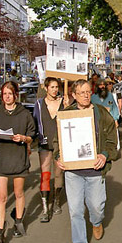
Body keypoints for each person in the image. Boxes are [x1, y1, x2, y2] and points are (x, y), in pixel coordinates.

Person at [55, 79, 118, 243]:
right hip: (73, 172)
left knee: (96, 206)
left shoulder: (100, 113)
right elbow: (56, 141)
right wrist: (58, 156)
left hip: (94, 170)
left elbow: (112, 140)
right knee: (75, 210)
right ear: (73, 95)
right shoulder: (65, 115)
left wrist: (104, 154)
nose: (86, 95)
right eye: (81, 92)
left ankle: (97, 222)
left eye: (88, 92)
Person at [0, 81, 36, 243]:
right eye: (4, 94)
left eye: (10, 94)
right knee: (1, 197)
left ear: (16, 94)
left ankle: (18, 221)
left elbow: (32, 135)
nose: (7, 97)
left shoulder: (24, 114)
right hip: (1, 159)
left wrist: (23, 138)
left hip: (18, 158)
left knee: (18, 193)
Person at [33, 77, 69, 222]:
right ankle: (45, 208)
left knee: (59, 173)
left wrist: (67, 107)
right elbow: (34, 122)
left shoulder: (63, 102)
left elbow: (69, 119)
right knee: (45, 173)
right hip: (44, 142)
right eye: (52, 87)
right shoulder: (39, 104)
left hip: (60, 143)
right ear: (46, 88)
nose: (55, 90)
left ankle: (57, 200)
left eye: (56, 87)